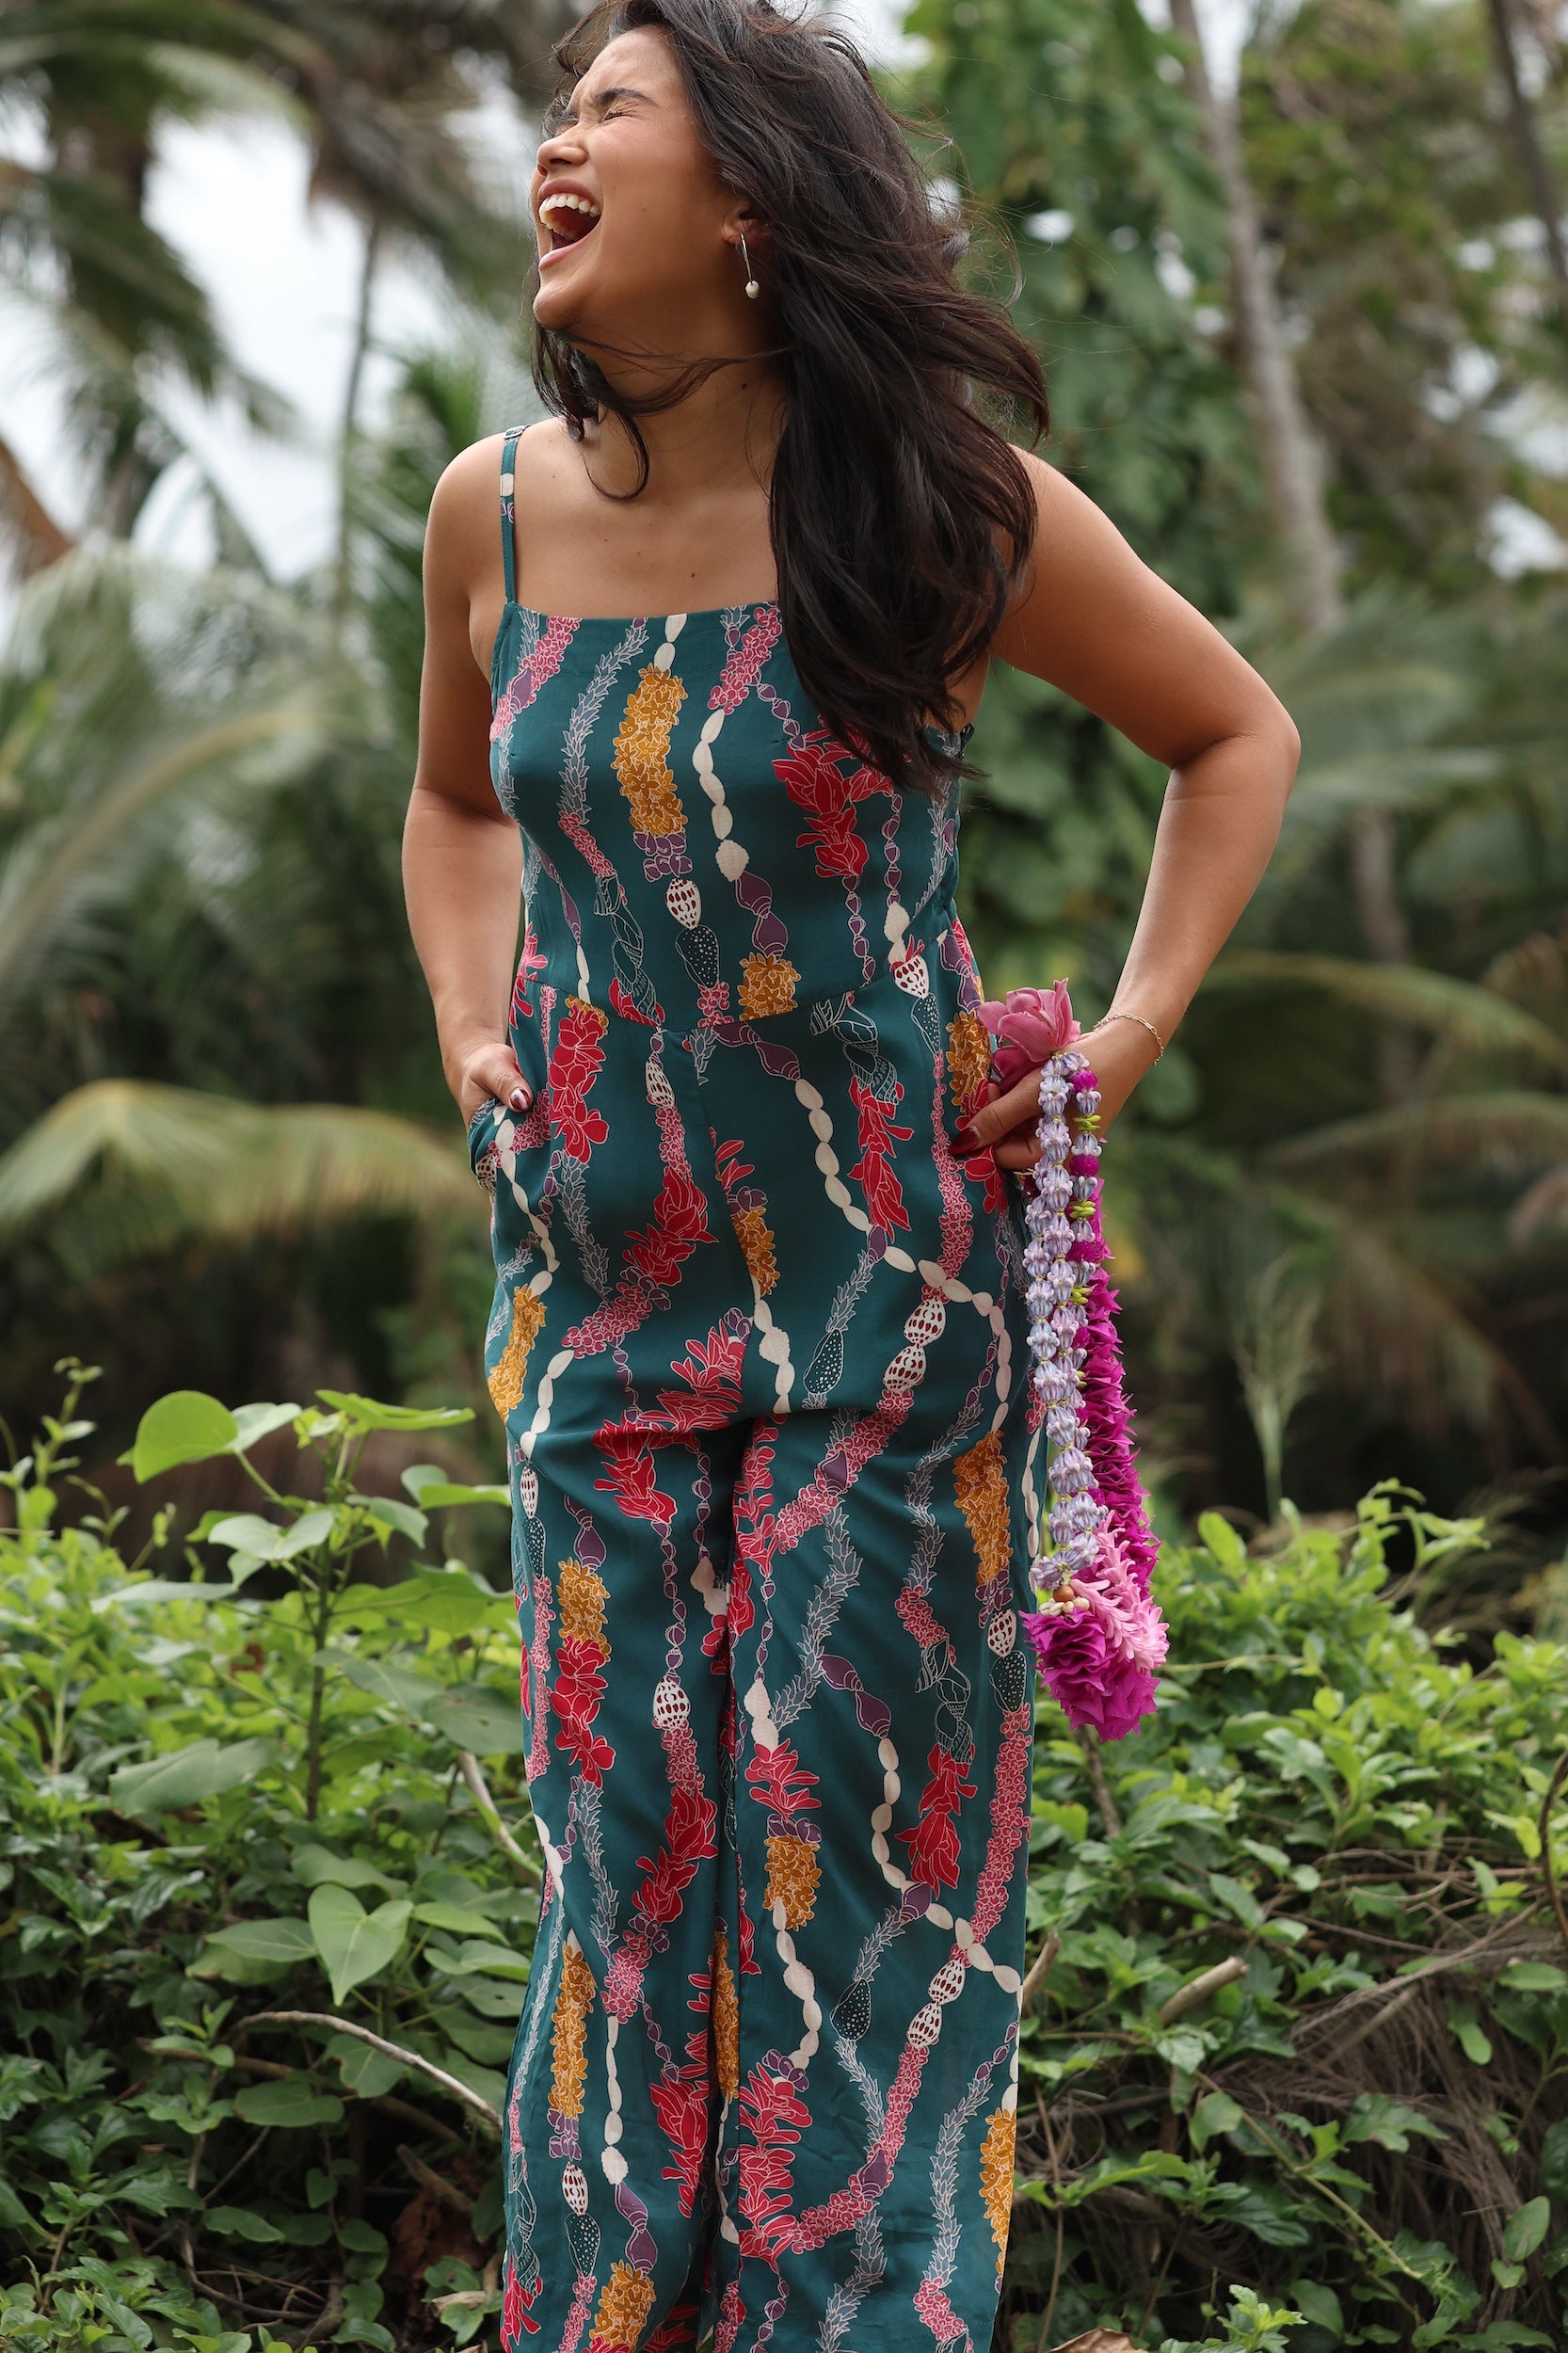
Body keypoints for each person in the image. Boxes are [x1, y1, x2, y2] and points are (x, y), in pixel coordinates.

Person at [402, 0, 1298, 2345]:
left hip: (885, 1315)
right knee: (626, 1874)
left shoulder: (931, 504)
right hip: (593, 1308)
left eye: (613, 109)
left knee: (861, 1905)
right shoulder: (486, 511)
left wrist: (1117, 1028)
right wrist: (473, 1021)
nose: (555, 147)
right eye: (558, 111)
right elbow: (458, 805)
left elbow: (1228, 732)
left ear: (758, 201)